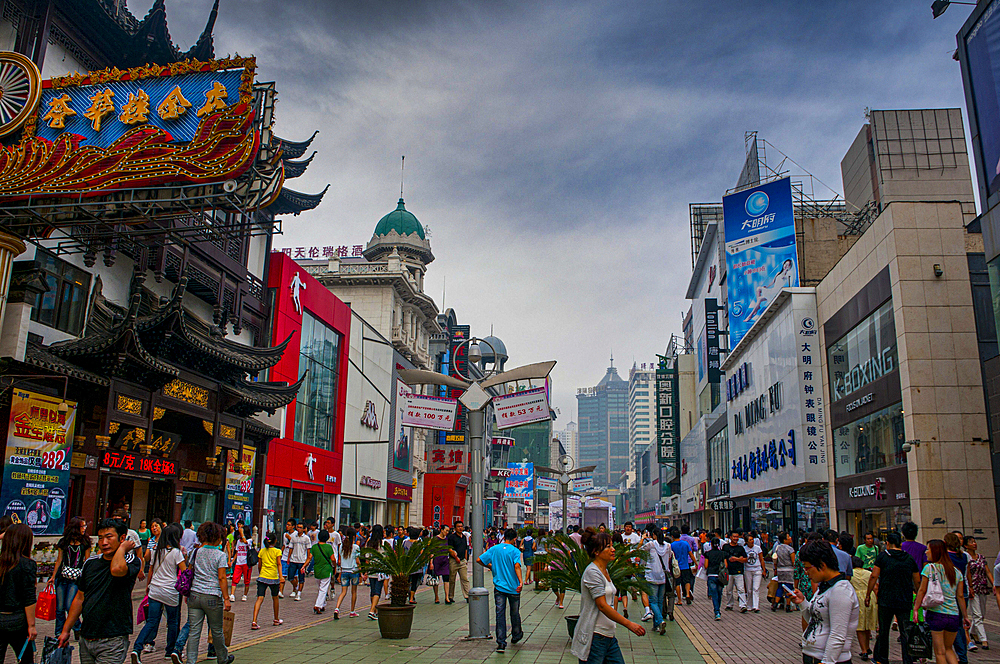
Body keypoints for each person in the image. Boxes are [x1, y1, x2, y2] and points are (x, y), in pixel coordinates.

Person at [58, 518, 142, 664]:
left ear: (122, 538)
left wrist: (122, 549)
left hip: (112, 640)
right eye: (101, 538)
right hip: (86, 638)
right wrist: (66, 630)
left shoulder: (131, 561)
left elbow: (116, 570)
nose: (104, 542)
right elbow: (80, 598)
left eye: (109, 537)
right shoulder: (91, 563)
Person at [571, 528, 645, 664]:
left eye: (612, 546)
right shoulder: (592, 572)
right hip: (595, 636)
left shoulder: (604, 570)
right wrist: (629, 624)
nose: (613, 549)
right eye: (608, 547)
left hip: (608, 636)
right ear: (596, 552)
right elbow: (602, 605)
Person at [789, 540, 859, 664]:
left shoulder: (841, 590)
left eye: (807, 567)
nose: (806, 572)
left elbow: (838, 635)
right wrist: (803, 603)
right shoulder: (825, 587)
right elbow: (816, 620)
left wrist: (827, 661)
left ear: (822, 565)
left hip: (830, 660)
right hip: (813, 656)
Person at [131, 524, 185, 663]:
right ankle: (170, 651)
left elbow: (151, 569)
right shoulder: (176, 552)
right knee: (172, 622)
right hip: (169, 591)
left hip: (155, 589)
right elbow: (184, 572)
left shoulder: (156, 550)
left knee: (151, 621)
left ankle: (137, 648)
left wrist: (148, 586)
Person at [181, 522, 232, 664]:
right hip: (212, 596)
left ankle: (191, 661)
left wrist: (187, 593)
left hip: (194, 595)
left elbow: (189, 572)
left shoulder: (195, 552)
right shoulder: (220, 555)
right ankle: (222, 658)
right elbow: (222, 578)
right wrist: (226, 599)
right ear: (217, 537)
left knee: (194, 631)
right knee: (216, 631)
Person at [913, 539, 971, 664]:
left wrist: (916, 608)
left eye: (928, 549)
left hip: (937, 614)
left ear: (935, 551)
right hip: (954, 615)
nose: (926, 552)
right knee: (949, 649)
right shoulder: (956, 572)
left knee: (939, 652)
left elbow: (922, 590)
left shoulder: (929, 568)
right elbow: (960, 596)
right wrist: (965, 616)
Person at [866, 532, 919, 664]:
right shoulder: (909, 558)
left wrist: (868, 594)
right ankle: (908, 660)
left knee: (884, 631)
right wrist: (918, 595)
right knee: (905, 631)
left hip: (886, 598)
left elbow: (874, 576)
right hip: (905, 599)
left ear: (888, 543)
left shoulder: (883, 557)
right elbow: (917, 580)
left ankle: (882, 658)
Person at [477, 529, 524, 653]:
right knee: (514, 613)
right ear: (515, 539)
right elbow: (517, 566)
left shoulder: (495, 549)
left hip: (499, 587)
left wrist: (490, 566)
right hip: (514, 588)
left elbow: (479, 560)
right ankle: (516, 634)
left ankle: (501, 643)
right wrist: (520, 582)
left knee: (500, 614)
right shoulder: (515, 551)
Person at [0, 524, 37, 664]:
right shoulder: (27, 564)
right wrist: (32, 625)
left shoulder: (2, 562)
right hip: (18, 620)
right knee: (25, 659)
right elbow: (29, 598)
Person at [50, 516, 91, 641]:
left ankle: (77, 627)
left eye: (85, 526)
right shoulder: (64, 541)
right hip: (62, 577)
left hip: (76, 578)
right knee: (60, 608)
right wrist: (52, 576)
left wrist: (87, 578)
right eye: (82, 526)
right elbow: (59, 560)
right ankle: (58, 632)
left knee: (69, 605)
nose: (84, 528)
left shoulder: (85, 542)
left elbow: (87, 561)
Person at [943, 532, 971, 659]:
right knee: (959, 623)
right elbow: (967, 574)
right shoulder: (964, 556)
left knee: (953, 625)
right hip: (963, 591)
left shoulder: (945, 557)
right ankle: (962, 655)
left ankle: (956, 653)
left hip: (950, 592)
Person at [641, 525, 673, 634]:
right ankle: (656, 625)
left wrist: (642, 539)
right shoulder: (668, 546)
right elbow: (670, 557)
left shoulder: (650, 545)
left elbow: (640, 551)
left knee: (653, 602)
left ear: (653, 535)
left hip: (651, 575)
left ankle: (660, 620)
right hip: (663, 576)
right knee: (660, 601)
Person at [250, 532, 283, 629]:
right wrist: (281, 577)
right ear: (275, 541)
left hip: (262, 577)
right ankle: (276, 619)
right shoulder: (277, 551)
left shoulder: (262, 551)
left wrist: (261, 573)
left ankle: (254, 620)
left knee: (259, 598)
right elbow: (279, 564)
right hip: (273, 577)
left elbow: (259, 565)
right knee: (275, 598)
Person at [964, 535, 991, 650]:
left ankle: (973, 632)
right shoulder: (966, 557)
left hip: (983, 587)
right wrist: (969, 586)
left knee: (982, 613)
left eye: (974, 542)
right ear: (965, 546)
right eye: (971, 542)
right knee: (977, 614)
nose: (974, 544)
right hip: (972, 588)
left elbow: (988, 571)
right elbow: (967, 573)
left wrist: (994, 584)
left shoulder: (981, 557)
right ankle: (983, 639)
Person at [851, 556, 876, 662]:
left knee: (860, 625)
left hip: (857, 597)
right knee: (867, 624)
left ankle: (864, 650)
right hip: (870, 596)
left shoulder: (851, 574)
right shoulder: (868, 573)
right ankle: (867, 647)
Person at [365, 525, 390, 621]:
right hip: (380, 570)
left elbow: (367, 558)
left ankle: (374, 611)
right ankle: (372, 610)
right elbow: (387, 556)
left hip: (372, 569)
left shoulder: (369, 543)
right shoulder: (383, 543)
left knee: (372, 590)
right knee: (377, 591)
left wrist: (366, 571)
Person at [334, 528, 361, 618]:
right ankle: (352, 611)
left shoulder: (341, 546)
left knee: (343, 592)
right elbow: (357, 561)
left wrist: (340, 573)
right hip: (354, 571)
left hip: (344, 571)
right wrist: (361, 571)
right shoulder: (356, 547)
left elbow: (340, 560)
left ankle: (337, 608)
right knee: (354, 592)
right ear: (354, 537)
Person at [722, 530, 748, 612]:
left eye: (737, 537)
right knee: (729, 590)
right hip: (728, 571)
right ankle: (729, 604)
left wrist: (737, 559)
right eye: (734, 537)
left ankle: (743, 605)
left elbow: (745, 559)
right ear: (730, 537)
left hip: (738, 571)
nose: (736, 538)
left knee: (741, 589)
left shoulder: (740, 548)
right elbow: (723, 557)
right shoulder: (725, 547)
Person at [286, 522, 312, 601]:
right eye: (298, 527)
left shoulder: (306, 538)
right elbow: (291, 548)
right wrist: (288, 557)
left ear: (304, 529)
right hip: (293, 559)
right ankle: (296, 586)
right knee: (290, 577)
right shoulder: (293, 537)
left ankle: (299, 593)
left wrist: (307, 561)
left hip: (302, 561)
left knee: (301, 578)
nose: (299, 529)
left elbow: (308, 550)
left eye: (300, 527)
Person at [310, 530, 335, 614]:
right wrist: (334, 565)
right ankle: (318, 605)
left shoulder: (314, 547)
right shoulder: (328, 547)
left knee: (320, 588)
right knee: (323, 589)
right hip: (326, 569)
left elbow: (309, 558)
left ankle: (323, 604)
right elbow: (333, 559)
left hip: (317, 569)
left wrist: (304, 566)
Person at [702, 538, 726, 621]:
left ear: (711, 544)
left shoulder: (708, 554)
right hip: (720, 576)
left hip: (711, 575)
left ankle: (717, 611)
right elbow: (725, 565)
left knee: (714, 594)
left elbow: (706, 565)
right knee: (719, 594)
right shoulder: (723, 554)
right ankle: (718, 609)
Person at [669, 528, 695, 605]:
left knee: (677, 583)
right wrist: (696, 563)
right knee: (687, 581)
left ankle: (679, 600)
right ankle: (687, 594)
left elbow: (670, 557)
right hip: (686, 566)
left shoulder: (672, 545)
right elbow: (690, 554)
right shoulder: (685, 543)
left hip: (676, 567)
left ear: (672, 536)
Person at [447, 521, 471, 603]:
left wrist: (465, 559)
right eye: (458, 526)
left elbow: (465, 548)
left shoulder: (464, 537)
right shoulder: (451, 537)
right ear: (455, 528)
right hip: (453, 561)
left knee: (464, 579)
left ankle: (467, 596)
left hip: (462, 561)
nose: (460, 528)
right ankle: (450, 596)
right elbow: (450, 549)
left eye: (461, 526)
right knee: (452, 579)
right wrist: (455, 557)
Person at [772, 531, 795, 612]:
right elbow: (793, 561)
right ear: (785, 540)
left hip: (780, 570)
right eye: (788, 537)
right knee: (789, 588)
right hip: (789, 570)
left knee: (780, 587)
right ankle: (788, 606)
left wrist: (775, 568)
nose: (790, 538)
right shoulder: (790, 549)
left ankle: (775, 603)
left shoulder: (778, 548)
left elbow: (775, 559)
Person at [228, 525, 251, 602]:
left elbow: (245, 542)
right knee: (235, 578)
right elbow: (237, 552)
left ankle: (245, 595)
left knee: (246, 580)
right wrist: (232, 561)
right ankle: (232, 594)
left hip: (246, 563)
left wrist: (242, 533)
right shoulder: (238, 541)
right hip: (239, 563)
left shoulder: (249, 540)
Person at [743, 531, 765, 613]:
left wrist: (764, 570)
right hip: (748, 570)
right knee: (749, 589)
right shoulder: (744, 549)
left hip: (757, 569)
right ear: (746, 541)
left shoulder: (757, 548)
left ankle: (756, 606)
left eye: (752, 539)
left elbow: (761, 559)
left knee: (756, 588)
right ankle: (749, 605)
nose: (752, 541)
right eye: (750, 540)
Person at [430, 526, 451, 604]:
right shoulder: (435, 539)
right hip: (437, 560)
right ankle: (436, 596)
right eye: (446, 530)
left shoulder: (447, 539)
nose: (447, 532)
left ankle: (447, 597)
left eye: (448, 531)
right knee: (436, 579)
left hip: (445, 560)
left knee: (446, 578)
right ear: (442, 530)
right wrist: (431, 562)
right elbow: (432, 551)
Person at [278, 519, 295, 597]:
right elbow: (284, 545)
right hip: (284, 557)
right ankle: (280, 591)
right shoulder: (285, 534)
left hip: (293, 558)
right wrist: (280, 553)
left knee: (293, 577)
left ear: (293, 526)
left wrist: (290, 538)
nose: (287, 526)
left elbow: (296, 544)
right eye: (287, 525)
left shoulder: (296, 534)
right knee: (282, 575)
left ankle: (295, 588)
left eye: (289, 525)